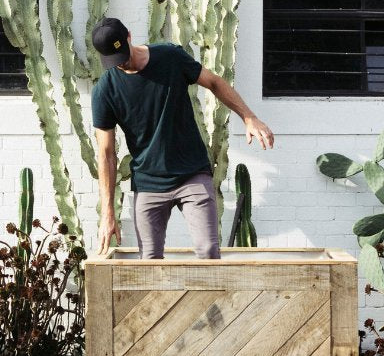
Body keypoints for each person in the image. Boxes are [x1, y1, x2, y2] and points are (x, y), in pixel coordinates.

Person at [91, 17, 274, 259]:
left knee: (209, 252)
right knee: (149, 262)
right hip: (148, 182)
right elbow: (106, 154)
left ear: (129, 37)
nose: (122, 63)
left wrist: (248, 116)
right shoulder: (105, 90)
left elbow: (214, 82)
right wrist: (108, 212)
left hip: (192, 174)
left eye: (123, 55)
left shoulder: (170, 57)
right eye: (115, 61)